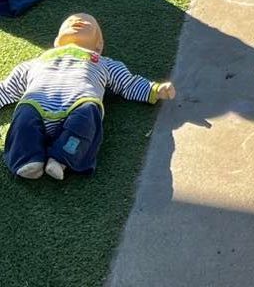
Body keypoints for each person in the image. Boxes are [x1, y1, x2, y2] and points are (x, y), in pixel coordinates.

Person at [0, 13, 175, 180]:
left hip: (79, 104)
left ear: (99, 45)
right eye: (71, 20)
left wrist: (154, 90)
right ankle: (28, 160)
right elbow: (9, 87)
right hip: (36, 103)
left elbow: (128, 84)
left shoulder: (102, 62)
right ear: (56, 42)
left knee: (88, 116)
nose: (78, 20)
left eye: (88, 23)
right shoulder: (38, 61)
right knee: (24, 117)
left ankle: (62, 158)